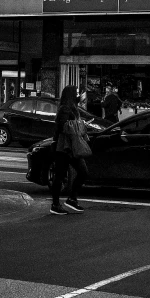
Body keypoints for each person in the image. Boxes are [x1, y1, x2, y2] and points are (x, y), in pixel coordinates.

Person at [50, 85, 88, 215]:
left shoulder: (72, 107)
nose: (78, 94)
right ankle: (56, 204)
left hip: (71, 146)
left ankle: (71, 199)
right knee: (60, 175)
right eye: (76, 93)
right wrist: (77, 125)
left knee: (82, 172)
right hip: (64, 146)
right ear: (71, 95)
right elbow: (62, 126)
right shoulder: (65, 109)